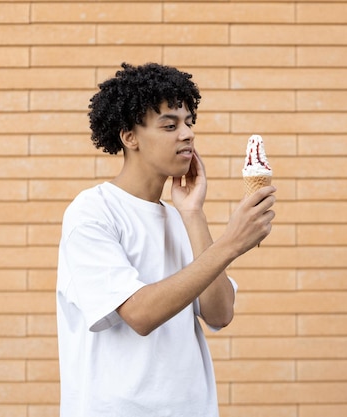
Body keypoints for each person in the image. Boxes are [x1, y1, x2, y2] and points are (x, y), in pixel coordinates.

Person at [56, 62, 276, 417]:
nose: (187, 134)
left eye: (189, 123)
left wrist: (193, 215)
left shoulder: (182, 217)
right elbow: (140, 314)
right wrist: (231, 243)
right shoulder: (92, 212)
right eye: (170, 125)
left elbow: (220, 313)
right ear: (129, 136)